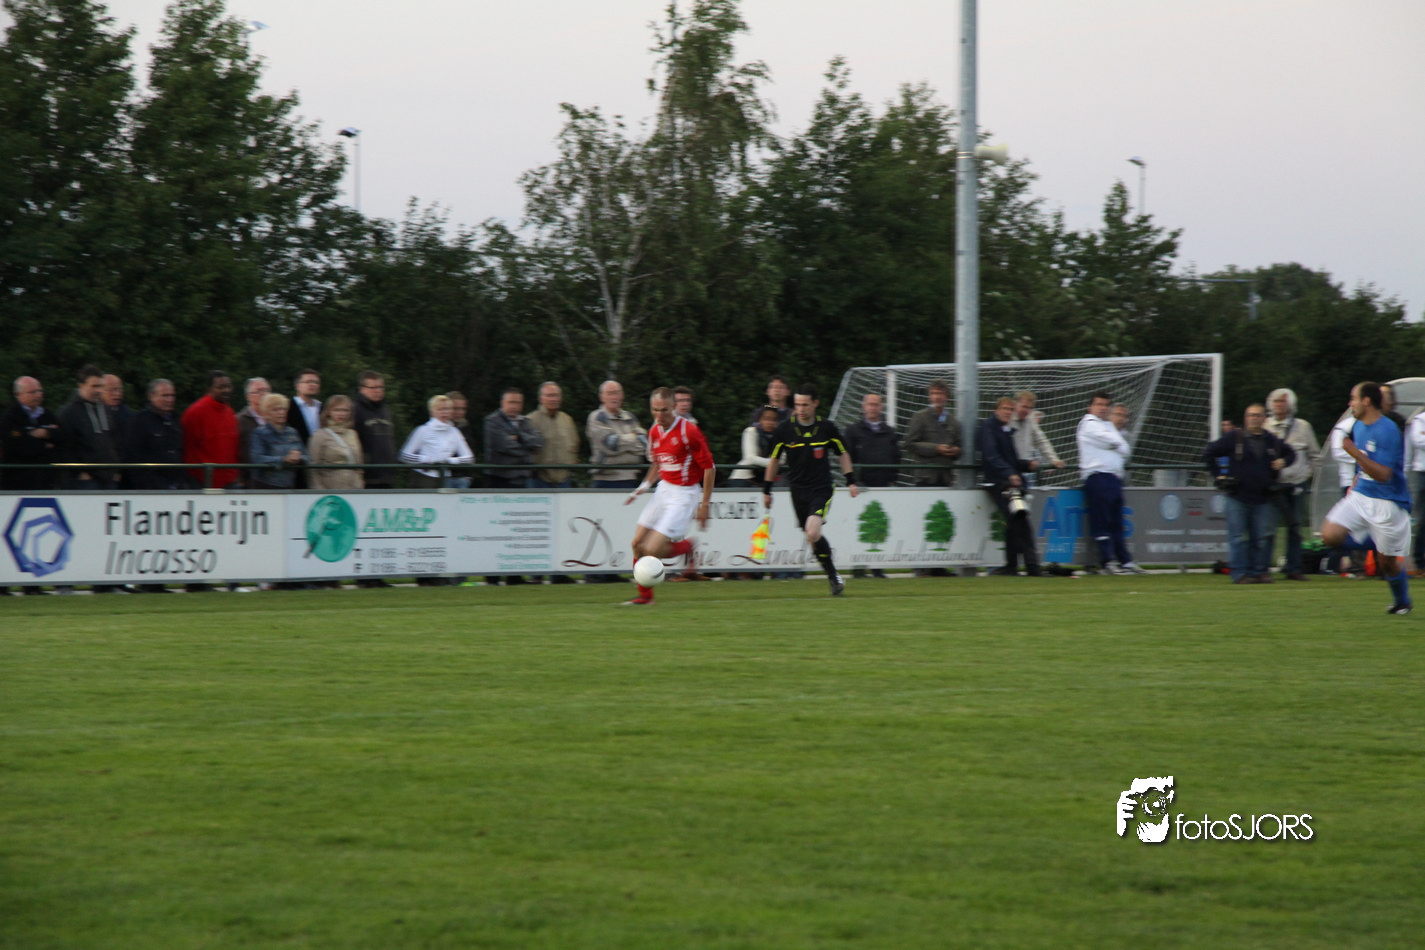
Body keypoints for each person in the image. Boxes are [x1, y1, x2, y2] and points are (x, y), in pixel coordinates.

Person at [1320, 382, 1412, 614]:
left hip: (1388, 502)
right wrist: (1355, 480)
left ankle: (1402, 601)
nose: (1350, 403)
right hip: (1362, 494)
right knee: (1329, 535)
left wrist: (1354, 453)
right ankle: (1376, 541)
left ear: (1366, 401)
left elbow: (1384, 475)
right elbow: (1363, 465)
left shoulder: (1388, 429)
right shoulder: (1359, 426)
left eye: (1353, 398)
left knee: (1387, 563)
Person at [620, 387, 716, 605]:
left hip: (684, 495)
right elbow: (658, 462)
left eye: (664, 410)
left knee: (652, 549)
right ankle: (646, 597)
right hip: (664, 489)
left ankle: (687, 547)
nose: (659, 415)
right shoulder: (654, 431)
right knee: (637, 544)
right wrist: (643, 486)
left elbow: (709, 468)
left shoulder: (688, 431)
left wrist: (705, 504)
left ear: (674, 407)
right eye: (655, 410)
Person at [761, 383, 859, 596]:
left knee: (812, 531)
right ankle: (833, 576)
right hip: (797, 490)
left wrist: (850, 480)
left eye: (805, 405)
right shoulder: (785, 429)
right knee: (812, 537)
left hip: (821, 487)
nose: (801, 409)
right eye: (797, 405)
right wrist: (767, 490)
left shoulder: (827, 428)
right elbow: (774, 460)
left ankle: (833, 576)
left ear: (815, 403)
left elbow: (842, 453)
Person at [1202, 404, 1295, 584]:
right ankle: (1240, 573)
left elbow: (1291, 453)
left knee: (1260, 538)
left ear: (1264, 419)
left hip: (1263, 497)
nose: (1254, 418)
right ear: (1245, 418)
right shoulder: (1234, 437)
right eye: (1250, 415)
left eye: (1257, 415)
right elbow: (1209, 452)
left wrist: (1283, 462)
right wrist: (1218, 475)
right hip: (1237, 495)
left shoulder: (1271, 440)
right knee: (1237, 537)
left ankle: (1259, 571)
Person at [1076, 391, 1148, 575]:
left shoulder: (1108, 425)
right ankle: (1107, 561)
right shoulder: (1088, 424)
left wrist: (1115, 443)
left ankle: (1125, 562)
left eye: (1106, 405)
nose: (1103, 408)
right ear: (1090, 407)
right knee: (1102, 520)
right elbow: (1112, 441)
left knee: (1117, 522)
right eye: (1099, 404)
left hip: (1114, 478)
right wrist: (1115, 443)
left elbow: (1125, 449)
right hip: (1097, 476)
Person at [980, 396, 1042, 576]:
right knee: (1021, 521)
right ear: (996, 410)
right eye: (1004, 408)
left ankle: (1012, 566)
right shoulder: (989, 428)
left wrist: (1026, 465)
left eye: (1010, 409)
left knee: (1014, 522)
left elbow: (1011, 460)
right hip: (999, 483)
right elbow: (992, 457)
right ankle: (1032, 567)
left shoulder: (1005, 430)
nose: (1008, 412)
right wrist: (1010, 473)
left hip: (1007, 482)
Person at [1263, 388, 1321, 581]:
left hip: (1296, 485)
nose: (1279, 405)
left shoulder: (1303, 427)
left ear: (1291, 405)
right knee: (1268, 527)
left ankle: (1294, 567)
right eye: (1275, 401)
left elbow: (1315, 456)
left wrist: (1306, 475)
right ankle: (1263, 567)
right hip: (1273, 486)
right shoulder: (1265, 426)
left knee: (1295, 527)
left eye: (1283, 401)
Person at [842, 393, 900, 579]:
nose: (873, 408)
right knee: (860, 526)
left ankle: (877, 568)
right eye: (870, 404)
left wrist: (892, 479)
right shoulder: (853, 431)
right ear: (864, 406)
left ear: (881, 407)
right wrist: (852, 480)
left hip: (883, 486)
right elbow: (845, 456)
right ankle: (858, 568)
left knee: (879, 526)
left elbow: (897, 456)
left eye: (876, 404)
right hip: (861, 487)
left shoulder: (889, 432)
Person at [57, 364, 120, 490]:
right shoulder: (68, 413)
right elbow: (63, 447)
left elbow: (115, 439)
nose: (98, 390)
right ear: (81, 385)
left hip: (109, 477)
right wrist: (78, 472)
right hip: (85, 480)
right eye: (94, 386)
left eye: (101, 386)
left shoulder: (106, 409)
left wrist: (117, 469)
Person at [124, 379, 192, 491]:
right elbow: (134, 456)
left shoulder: (175, 420)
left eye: (172, 396)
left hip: (177, 485)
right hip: (151, 488)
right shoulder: (140, 421)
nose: (169, 399)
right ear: (151, 396)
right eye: (165, 396)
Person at [182, 370, 240, 490]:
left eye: (228, 386)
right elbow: (188, 449)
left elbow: (234, 448)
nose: (226, 390)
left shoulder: (230, 412)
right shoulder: (195, 413)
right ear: (209, 389)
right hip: (203, 482)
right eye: (221, 387)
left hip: (229, 481)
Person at [400, 395, 474, 489]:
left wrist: (449, 461)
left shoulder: (455, 432)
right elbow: (405, 456)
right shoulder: (422, 430)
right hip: (423, 477)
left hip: (444, 478)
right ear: (432, 412)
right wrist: (427, 460)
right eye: (440, 409)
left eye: (447, 409)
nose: (444, 412)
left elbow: (469, 458)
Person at [1, 376, 60, 490]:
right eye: (33, 392)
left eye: (40, 391)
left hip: (46, 479)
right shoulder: (10, 417)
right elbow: (16, 444)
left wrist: (43, 433)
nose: (38, 395)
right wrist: (44, 445)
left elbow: (61, 436)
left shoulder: (47, 414)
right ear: (18, 394)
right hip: (18, 481)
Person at [587, 380, 648, 489]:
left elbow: (644, 444)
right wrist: (633, 437)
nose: (614, 397)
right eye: (610, 393)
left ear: (622, 395)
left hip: (631, 478)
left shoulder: (630, 417)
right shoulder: (597, 418)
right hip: (605, 480)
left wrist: (621, 441)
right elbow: (611, 445)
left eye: (617, 393)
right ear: (601, 397)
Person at [483, 388, 544, 490]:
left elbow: (538, 442)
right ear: (502, 403)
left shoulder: (525, 421)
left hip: (523, 478)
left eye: (517, 403)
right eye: (511, 402)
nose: (514, 406)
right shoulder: (492, 421)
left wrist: (519, 437)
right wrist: (528, 450)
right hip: (500, 479)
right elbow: (506, 446)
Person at [904, 379, 960, 488]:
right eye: (934, 393)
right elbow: (909, 444)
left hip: (946, 479)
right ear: (929, 396)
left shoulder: (953, 421)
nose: (937, 397)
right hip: (925, 478)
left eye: (940, 393)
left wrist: (956, 450)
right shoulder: (920, 417)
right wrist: (936, 448)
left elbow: (959, 446)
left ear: (947, 396)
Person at [526, 381, 579, 490]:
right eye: (549, 396)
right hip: (538, 480)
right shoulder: (530, 420)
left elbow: (575, 444)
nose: (554, 399)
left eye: (556, 395)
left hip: (564, 479)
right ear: (541, 398)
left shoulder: (567, 420)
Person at [249, 393, 308, 490]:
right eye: (276, 410)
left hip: (289, 485)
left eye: (284, 409)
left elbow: (307, 457)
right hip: (266, 486)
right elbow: (257, 458)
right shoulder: (260, 433)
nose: (281, 412)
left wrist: (299, 458)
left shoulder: (293, 432)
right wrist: (283, 459)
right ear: (266, 413)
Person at [307, 395, 364, 491]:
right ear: (329, 412)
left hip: (353, 488)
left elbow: (359, 464)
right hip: (330, 489)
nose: (341, 414)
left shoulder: (353, 434)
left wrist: (360, 484)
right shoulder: (320, 435)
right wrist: (318, 491)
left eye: (345, 410)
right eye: (336, 410)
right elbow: (313, 468)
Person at [352, 370, 398, 489]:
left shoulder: (385, 410)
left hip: (387, 474)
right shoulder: (354, 409)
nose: (378, 391)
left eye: (381, 387)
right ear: (362, 389)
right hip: (367, 476)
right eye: (373, 387)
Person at [1013, 391, 1064, 486]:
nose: (1026, 411)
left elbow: (1041, 441)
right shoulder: (1007, 420)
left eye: (1029, 408)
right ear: (1015, 404)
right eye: (1024, 406)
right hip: (1009, 472)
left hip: (1025, 473)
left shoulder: (1030, 421)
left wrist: (1054, 460)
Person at [287, 369, 323, 488]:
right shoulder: (288, 408)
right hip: (297, 466)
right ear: (297, 385)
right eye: (308, 382)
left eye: (315, 382)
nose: (312, 385)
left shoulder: (322, 408)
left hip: (320, 464)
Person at [236, 378, 272, 488]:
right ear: (248, 396)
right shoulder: (239, 420)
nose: (264, 394)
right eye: (259, 391)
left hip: (274, 479)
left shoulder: (277, 419)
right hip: (249, 481)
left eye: (266, 390)